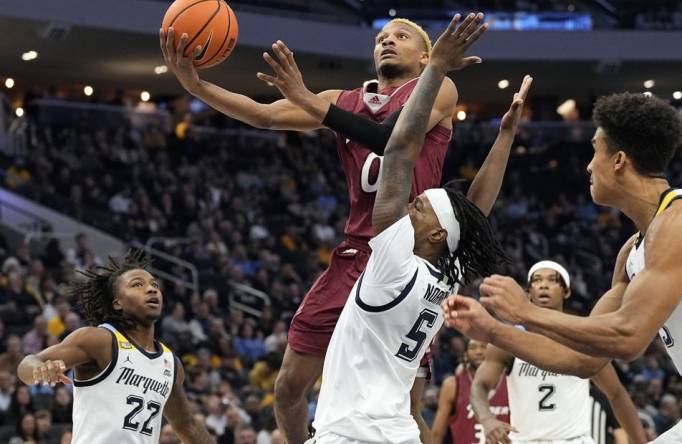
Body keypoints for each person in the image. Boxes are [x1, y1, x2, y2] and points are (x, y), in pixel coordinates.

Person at [160, 14, 460, 444]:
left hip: (408, 262)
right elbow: (264, 115)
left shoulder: (440, 86)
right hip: (357, 253)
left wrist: (306, 97)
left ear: (426, 55)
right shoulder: (344, 98)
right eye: (380, 37)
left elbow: (390, 139)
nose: (386, 41)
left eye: (401, 36)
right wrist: (197, 87)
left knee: (405, 408)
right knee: (287, 389)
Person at [443, 92, 682, 442]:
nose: (589, 165)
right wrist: (493, 330)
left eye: (595, 150)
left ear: (619, 160)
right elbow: (584, 361)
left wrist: (525, 312)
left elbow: (628, 337)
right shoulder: (632, 251)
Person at [312, 14, 529, 444]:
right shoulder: (446, 275)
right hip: (396, 430)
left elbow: (399, 149)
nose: (413, 203)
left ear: (432, 236)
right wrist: (504, 137)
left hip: (351, 433)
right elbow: (476, 215)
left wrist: (436, 70)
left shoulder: (394, 265)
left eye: (422, 208)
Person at [17, 250, 216, 443]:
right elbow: (27, 364)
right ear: (117, 303)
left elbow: (187, 426)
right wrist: (39, 369)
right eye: (137, 284)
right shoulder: (99, 340)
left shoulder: (170, 363)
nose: (151, 289)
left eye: (154, 284)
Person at [470, 261, 645, 444]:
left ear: (566, 291)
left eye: (552, 280)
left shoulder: (582, 339)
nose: (544, 285)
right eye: (537, 280)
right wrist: (486, 419)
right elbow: (479, 385)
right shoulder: (509, 339)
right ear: (528, 293)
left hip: (573, 440)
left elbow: (616, 393)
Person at [432, 339, 509, 444]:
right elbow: (437, 434)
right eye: (473, 347)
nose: (479, 351)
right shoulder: (453, 385)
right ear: (465, 355)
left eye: (484, 346)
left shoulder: (511, 382)